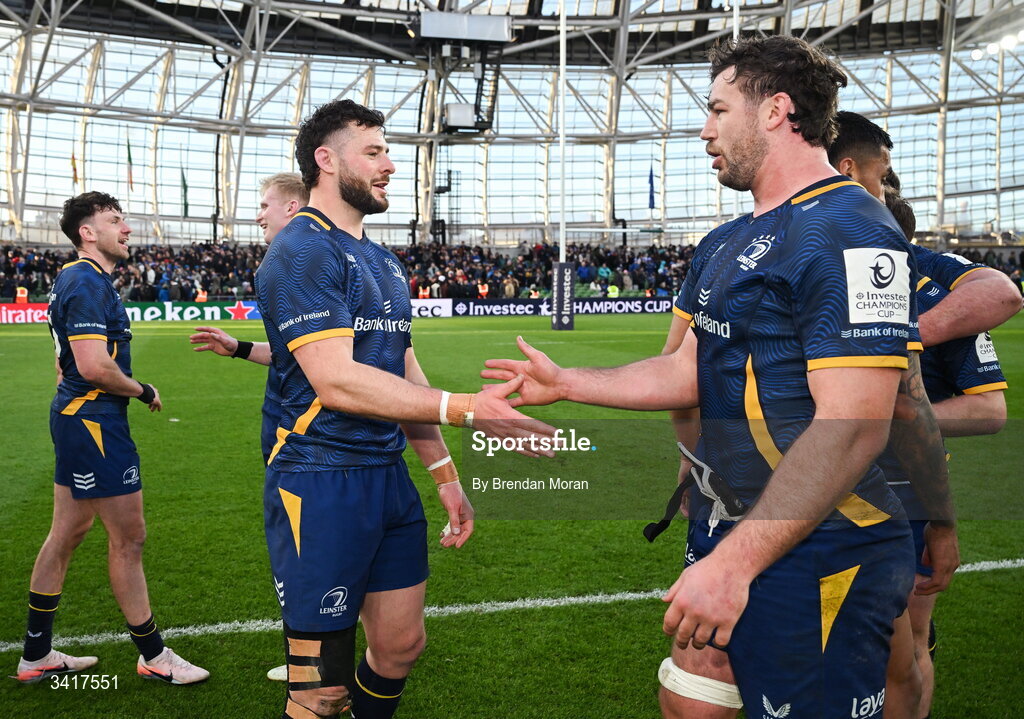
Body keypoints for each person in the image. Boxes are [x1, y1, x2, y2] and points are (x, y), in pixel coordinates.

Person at [485, 35, 922, 716]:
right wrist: (569, 381)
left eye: (718, 109)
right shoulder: (726, 241)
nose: (704, 127)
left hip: (822, 545)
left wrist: (736, 562)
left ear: (776, 110)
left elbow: (854, 423)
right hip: (730, 524)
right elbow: (686, 368)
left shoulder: (852, 228)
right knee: (690, 702)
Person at [256, 99, 553, 719]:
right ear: (326, 160)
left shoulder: (384, 262)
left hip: (386, 477)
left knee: (400, 646)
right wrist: (468, 408)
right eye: (374, 152)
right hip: (320, 477)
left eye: (388, 151)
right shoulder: (302, 250)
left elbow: (402, 372)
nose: (391, 164)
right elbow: (337, 381)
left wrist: (445, 477)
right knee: (320, 688)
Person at [16, 192, 208, 685]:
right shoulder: (83, 279)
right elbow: (93, 366)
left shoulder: (82, 280)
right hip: (94, 422)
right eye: (115, 220)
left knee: (67, 534)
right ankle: (154, 656)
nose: (127, 229)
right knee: (129, 539)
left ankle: (36, 656)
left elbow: (65, 364)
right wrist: (143, 390)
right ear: (87, 231)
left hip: (80, 417)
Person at [189, 172, 309, 684]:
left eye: (265, 205)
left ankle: (313, 664)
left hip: (301, 438)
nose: (258, 214)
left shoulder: (297, 266)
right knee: (298, 545)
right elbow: (292, 355)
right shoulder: (290, 266)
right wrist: (237, 347)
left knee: (301, 548)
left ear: (293, 207)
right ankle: (312, 656)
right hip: (285, 427)